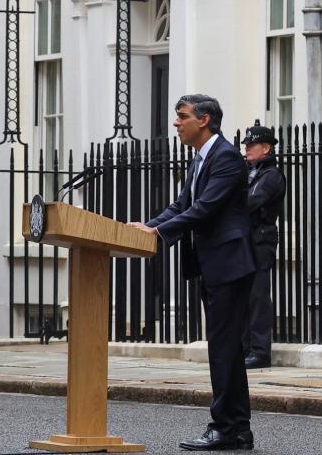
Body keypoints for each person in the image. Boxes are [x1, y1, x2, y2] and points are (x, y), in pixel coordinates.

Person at [132, 95, 256, 451]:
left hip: (229, 265)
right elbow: (182, 204)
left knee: (222, 349)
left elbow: (205, 209)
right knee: (228, 350)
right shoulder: (201, 159)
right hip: (215, 265)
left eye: (182, 117)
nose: (176, 123)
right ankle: (238, 429)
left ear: (203, 120)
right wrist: (147, 226)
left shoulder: (227, 157)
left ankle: (223, 428)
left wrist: (159, 233)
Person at [241, 120, 286, 370]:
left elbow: (250, 201)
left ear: (266, 148)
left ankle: (260, 351)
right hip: (247, 239)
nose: (247, 148)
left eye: (252, 144)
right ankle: (246, 347)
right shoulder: (250, 172)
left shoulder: (271, 176)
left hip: (261, 239)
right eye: (246, 144)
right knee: (244, 295)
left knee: (258, 296)